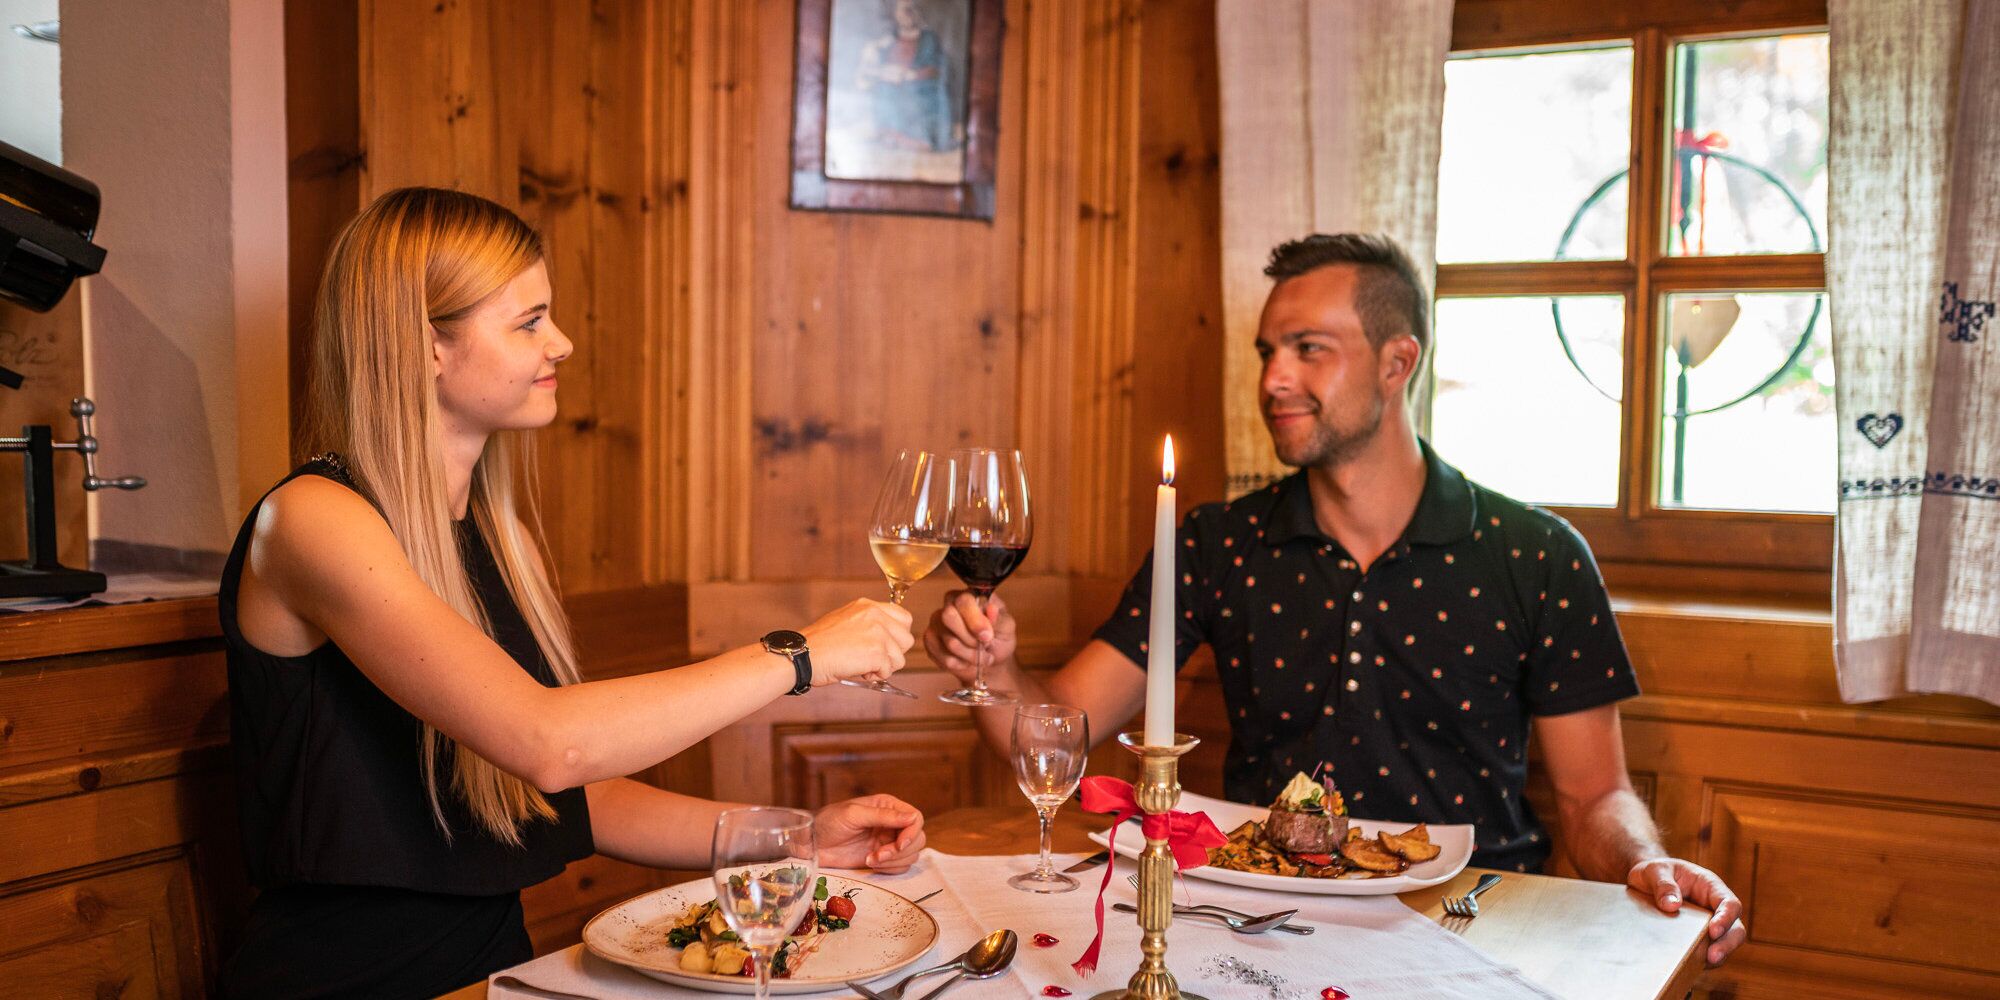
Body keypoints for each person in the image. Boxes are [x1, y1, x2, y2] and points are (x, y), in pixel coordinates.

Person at [925, 233, 1748, 967]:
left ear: (1398, 363)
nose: (1274, 378)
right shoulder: (1216, 544)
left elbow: (1593, 795)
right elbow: (1055, 726)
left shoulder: (1534, 555)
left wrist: (1645, 862)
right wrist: (993, 671)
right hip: (1258, 928)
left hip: (1471, 926)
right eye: (1267, 351)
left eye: (1308, 349)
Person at [219, 187, 925, 999]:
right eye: (527, 322)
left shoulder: (497, 532)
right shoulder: (311, 519)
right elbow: (550, 744)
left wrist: (791, 846)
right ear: (425, 348)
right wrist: (801, 656)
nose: (563, 343)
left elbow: (566, 794)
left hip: (494, 972)